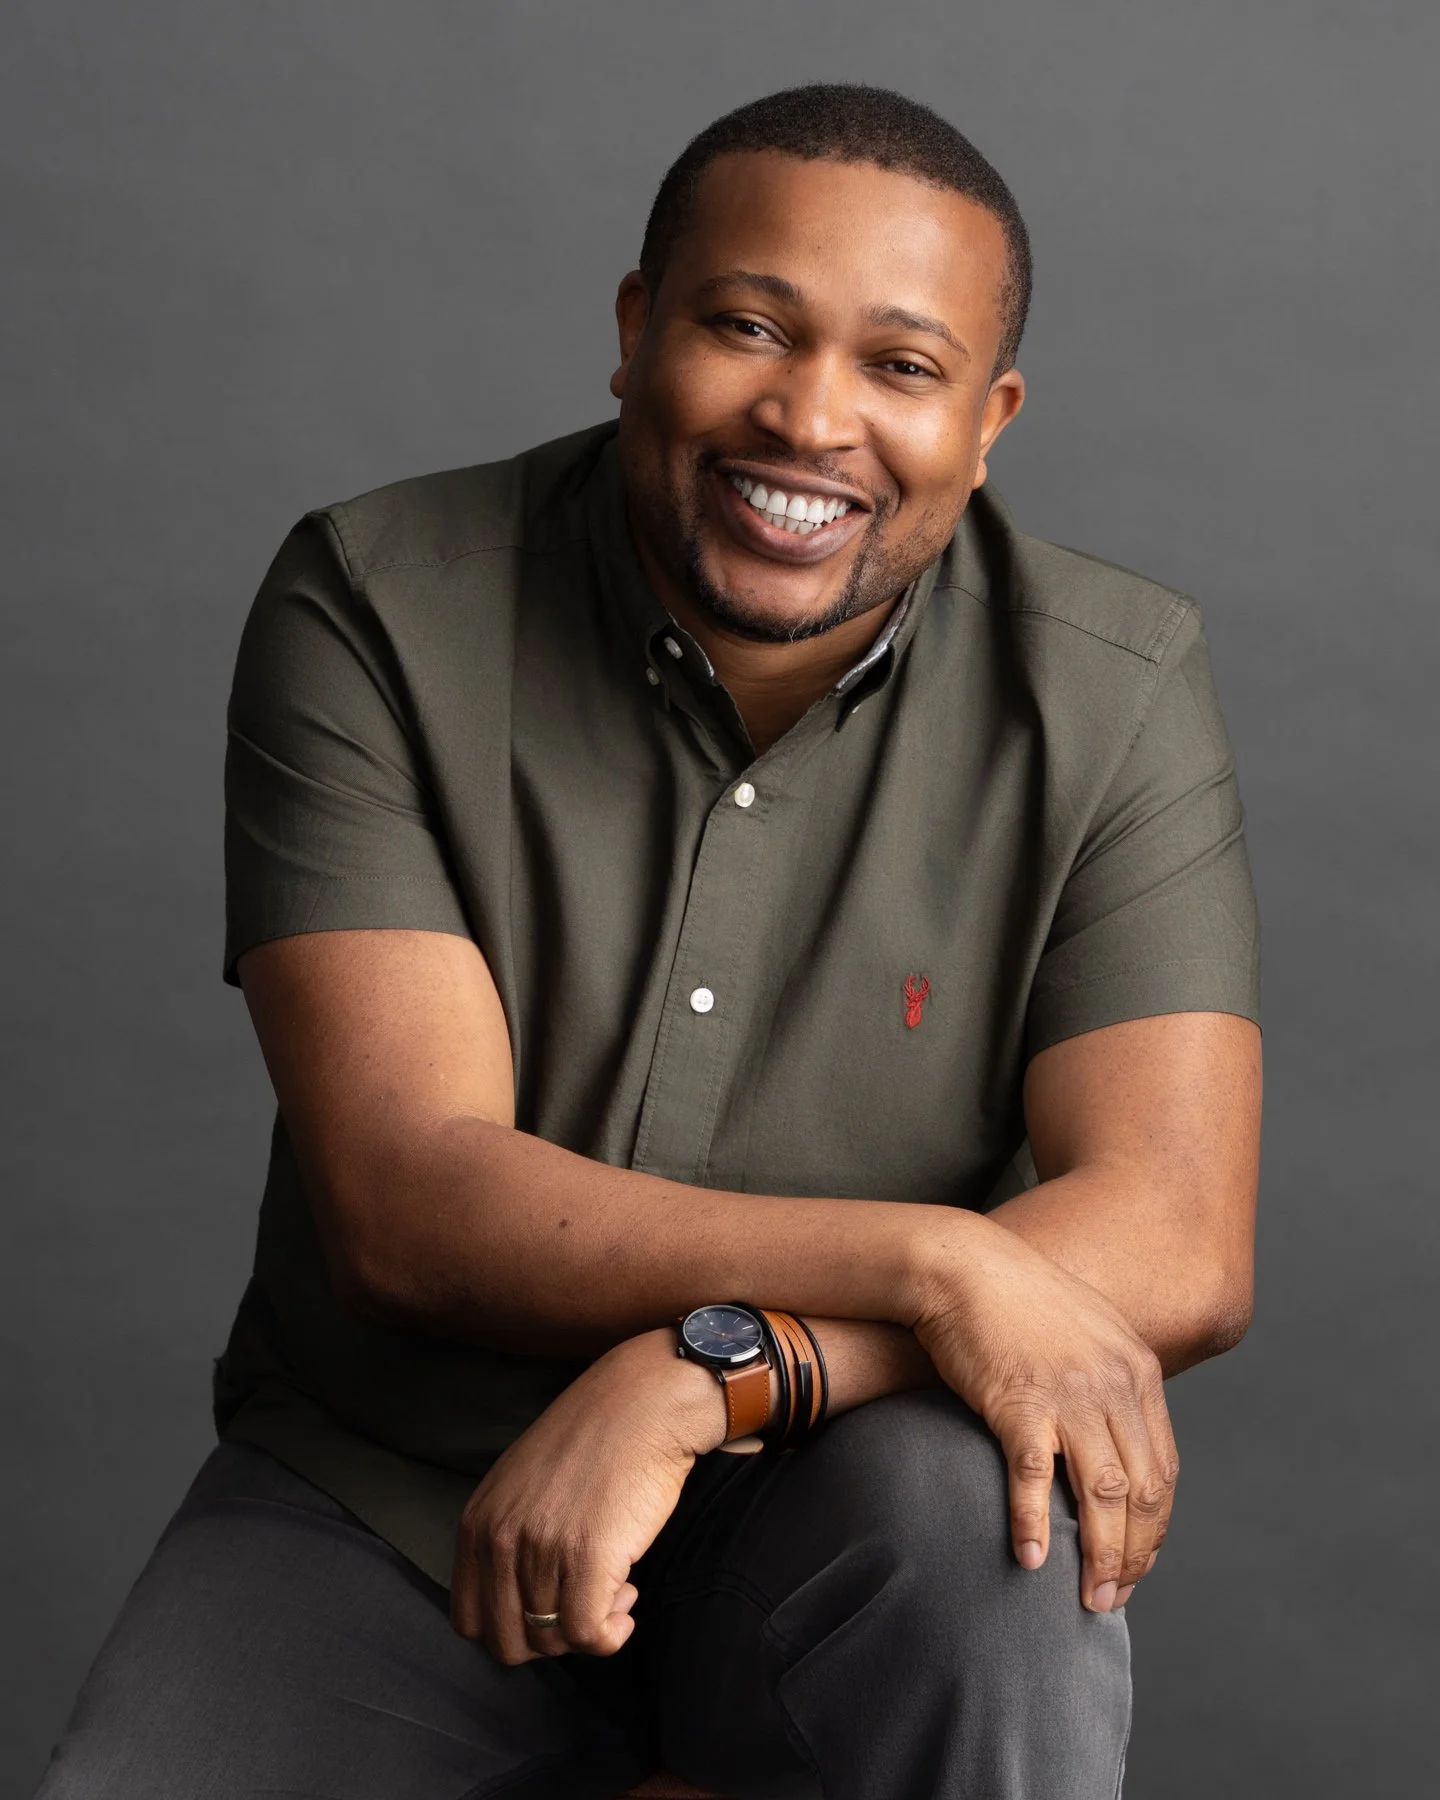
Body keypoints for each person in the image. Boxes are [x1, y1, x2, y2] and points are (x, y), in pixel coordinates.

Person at [37, 84, 1262, 1800]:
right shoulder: (380, 602)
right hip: (400, 1497)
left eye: (900, 369)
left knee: (991, 1545)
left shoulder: (1114, 689)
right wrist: (944, 1260)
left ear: (989, 421)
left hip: (855, 1495)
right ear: (636, 330)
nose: (811, 416)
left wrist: (723, 1376)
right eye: (748, 326)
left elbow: (1182, 1238)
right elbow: (408, 1196)